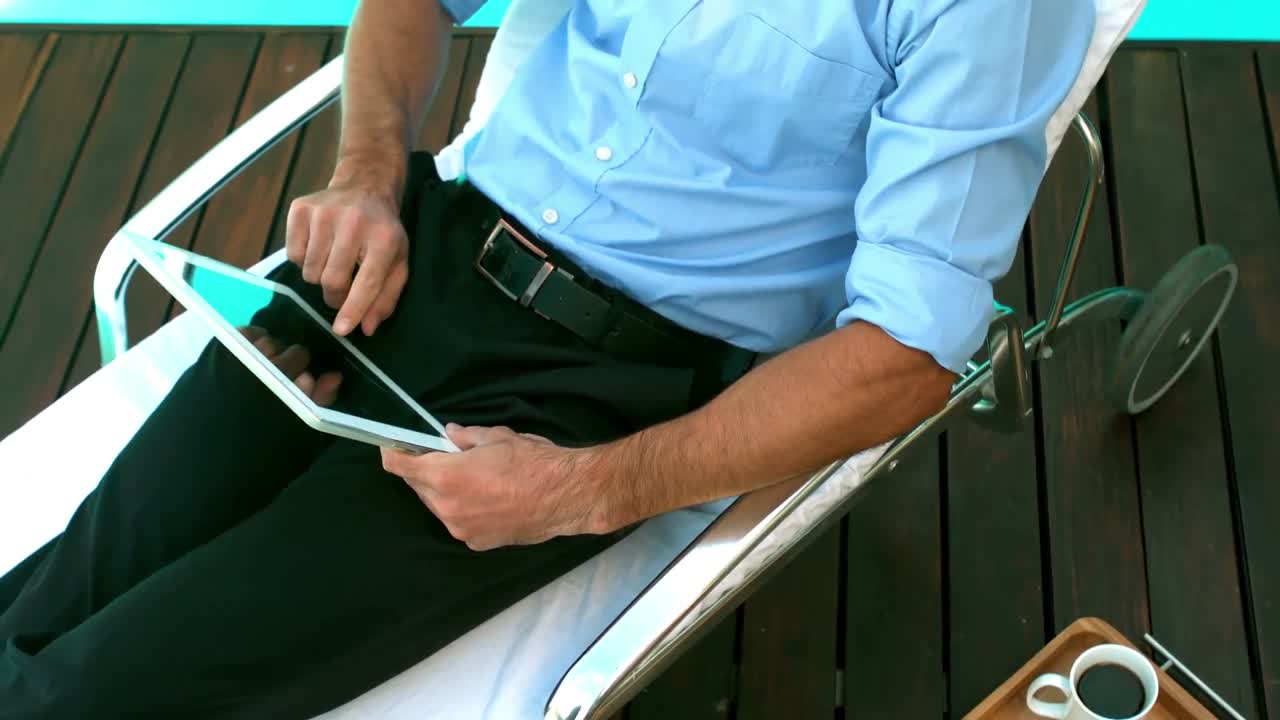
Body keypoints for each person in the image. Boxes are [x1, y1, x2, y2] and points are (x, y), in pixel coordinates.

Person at [0, 0, 1095, 716]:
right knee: (56, 592)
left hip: (589, 392)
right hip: (413, 251)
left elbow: (906, 352)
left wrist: (583, 490)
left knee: (108, 694)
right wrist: (373, 172)